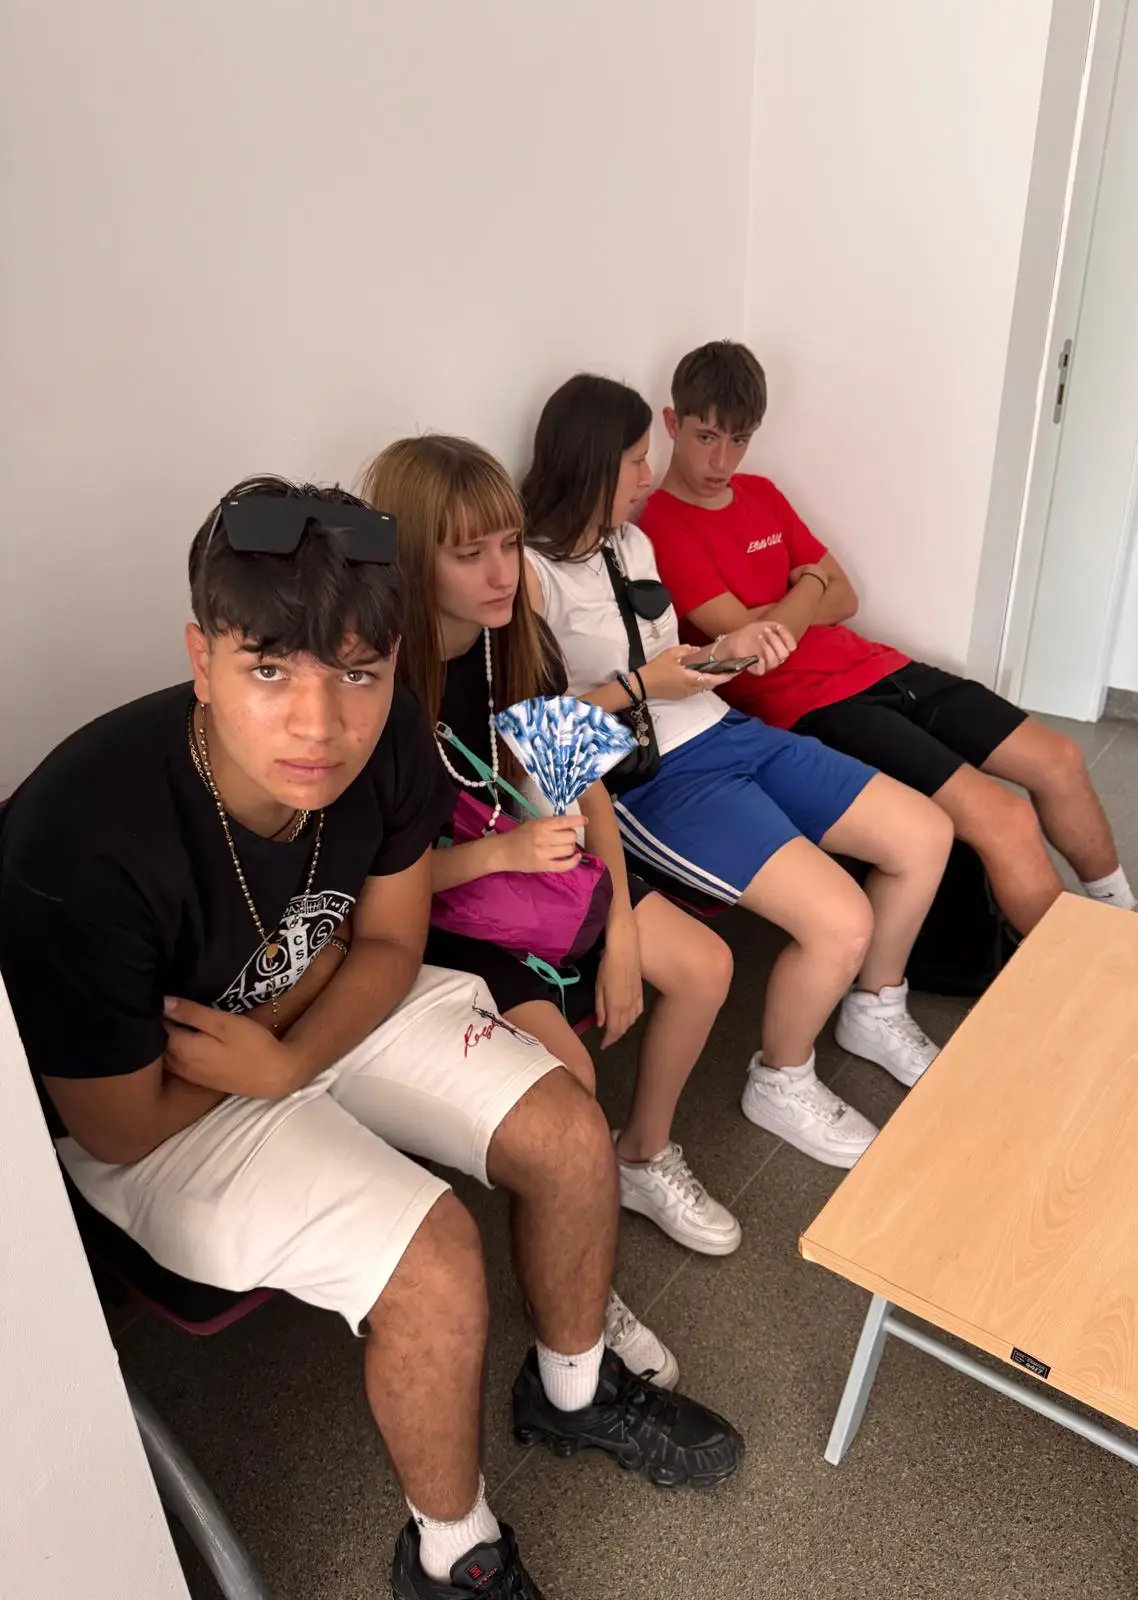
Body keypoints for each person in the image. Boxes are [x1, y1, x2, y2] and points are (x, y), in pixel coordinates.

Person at [0, 479, 743, 1600]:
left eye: (358, 672)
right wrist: (290, 1026)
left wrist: (291, 1051)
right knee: (434, 1262)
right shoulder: (79, 838)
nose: (321, 725)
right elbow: (117, 1125)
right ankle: (453, 1557)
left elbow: (390, 938)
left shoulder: (393, 730)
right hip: (164, 1110)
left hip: (303, 1018)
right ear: (201, 660)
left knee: (568, 1129)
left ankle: (575, 1391)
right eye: (269, 670)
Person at [361, 436, 741, 1355]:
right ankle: (580, 1294)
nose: (504, 573)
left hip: (541, 874)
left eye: (509, 544)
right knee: (570, 1082)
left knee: (705, 966)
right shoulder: (378, 687)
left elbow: (584, 780)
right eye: (470, 554)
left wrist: (621, 930)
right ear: (412, 559)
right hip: (449, 918)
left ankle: (641, 1156)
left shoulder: (515, 637)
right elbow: (380, 893)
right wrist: (503, 855)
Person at [520, 375, 956, 1171]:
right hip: (651, 776)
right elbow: (537, 734)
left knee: (925, 832)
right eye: (635, 461)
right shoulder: (529, 575)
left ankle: (873, 1008)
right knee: (841, 921)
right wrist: (645, 686)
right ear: (588, 464)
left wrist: (718, 656)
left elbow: (665, 659)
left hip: (723, 727)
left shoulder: (630, 544)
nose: (648, 476)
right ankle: (782, 1079)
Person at [640, 340, 1138, 936]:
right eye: (706, 437)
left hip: (876, 665)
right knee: (1005, 816)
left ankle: (1128, 925)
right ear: (672, 423)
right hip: (807, 703)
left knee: (1059, 759)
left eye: (739, 440)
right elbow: (756, 641)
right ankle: (1079, 978)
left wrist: (792, 604)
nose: (721, 460)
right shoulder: (660, 524)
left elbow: (848, 598)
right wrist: (811, 583)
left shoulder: (762, 493)